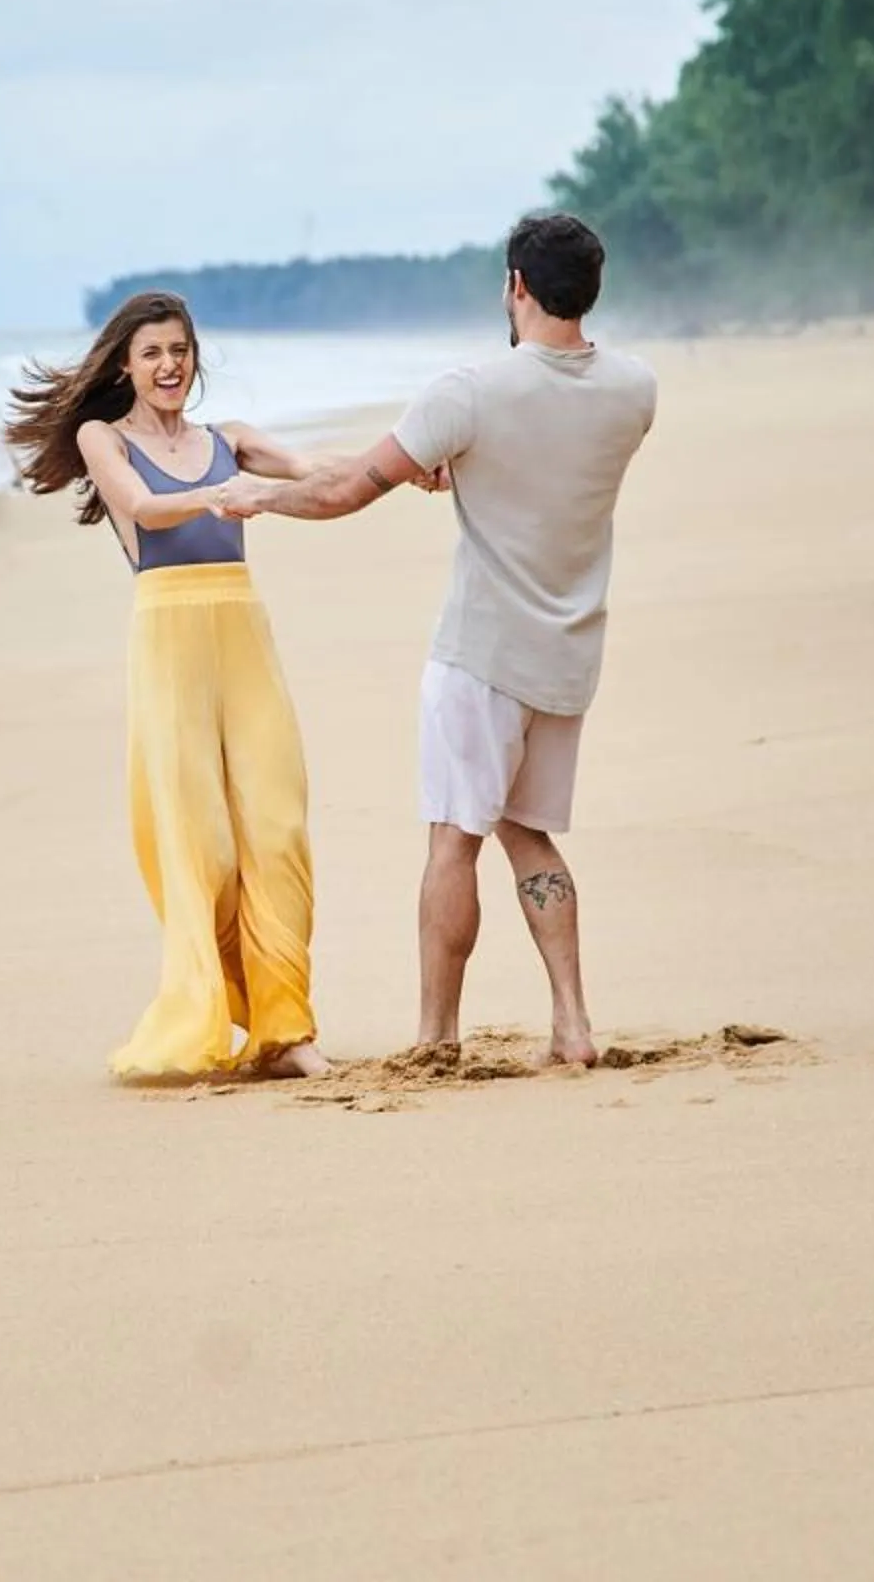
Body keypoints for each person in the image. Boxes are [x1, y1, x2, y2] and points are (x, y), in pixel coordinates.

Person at [216, 211, 657, 1069]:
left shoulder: (470, 393)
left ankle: (437, 1037)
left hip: (482, 654)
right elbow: (547, 455)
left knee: (453, 837)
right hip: (567, 654)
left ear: (516, 287)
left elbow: (347, 490)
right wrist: (463, 459)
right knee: (526, 834)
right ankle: (572, 1024)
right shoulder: (635, 390)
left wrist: (259, 497)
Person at [3, 291, 344, 1081]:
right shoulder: (103, 438)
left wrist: (405, 471)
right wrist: (226, 495)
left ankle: (288, 1028)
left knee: (277, 827)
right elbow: (145, 510)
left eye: (180, 350)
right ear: (124, 362)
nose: (169, 365)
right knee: (205, 846)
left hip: (243, 633)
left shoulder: (233, 439)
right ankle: (226, 1010)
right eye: (152, 351)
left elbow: (319, 472)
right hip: (169, 637)